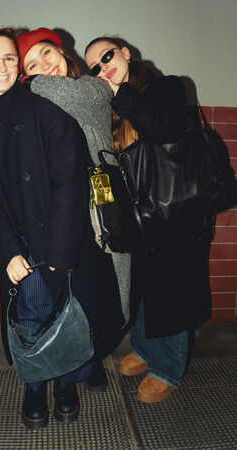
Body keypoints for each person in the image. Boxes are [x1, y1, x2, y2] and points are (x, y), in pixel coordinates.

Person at [0, 27, 127, 429]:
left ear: (20, 67)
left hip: (67, 234)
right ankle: (35, 383)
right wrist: (8, 251)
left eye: (10, 58)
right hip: (21, 241)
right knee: (31, 314)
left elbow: (68, 184)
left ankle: (68, 379)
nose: (2, 66)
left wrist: (59, 253)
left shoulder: (48, 102)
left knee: (70, 312)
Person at [85, 37, 213, 403]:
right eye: (94, 66)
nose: (102, 67)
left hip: (176, 213)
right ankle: (143, 349)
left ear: (126, 53)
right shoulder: (111, 104)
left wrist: (119, 95)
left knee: (171, 292)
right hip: (140, 216)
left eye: (107, 56)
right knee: (142, 288)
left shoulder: (167, 86)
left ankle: (168, 368)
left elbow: (164, 128)